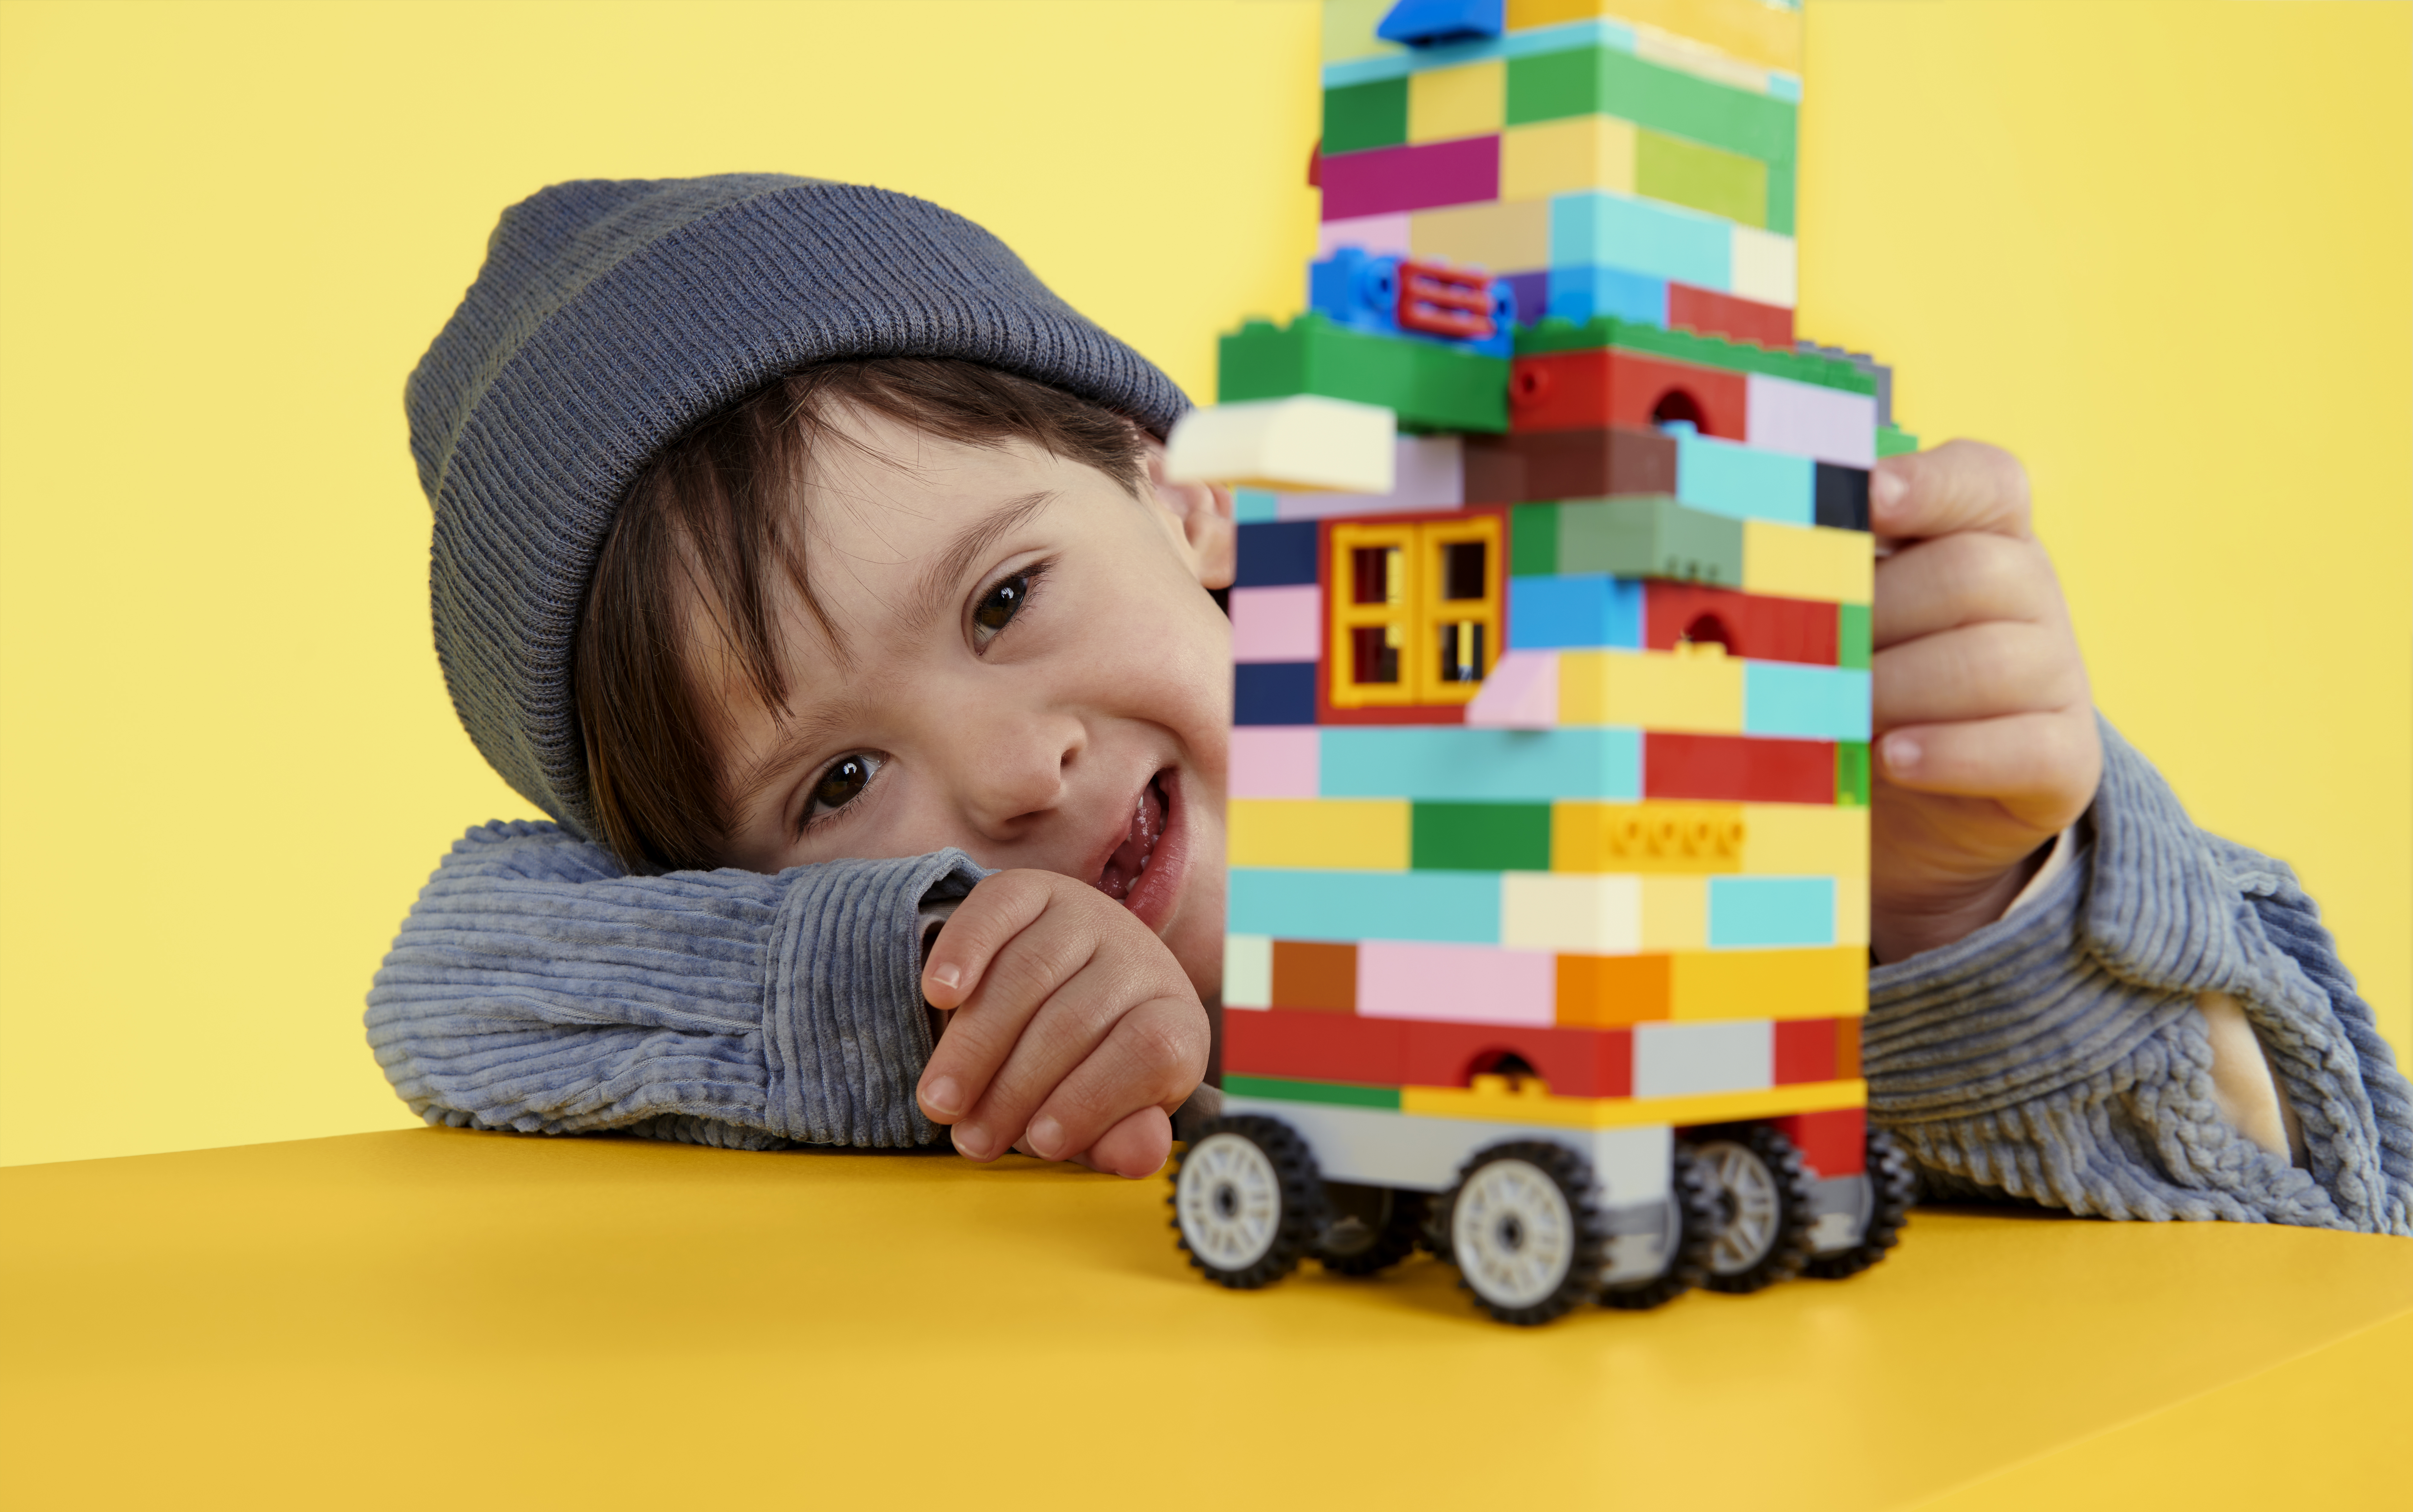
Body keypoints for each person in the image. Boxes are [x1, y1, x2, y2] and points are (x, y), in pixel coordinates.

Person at [368, 174, 2410, 1233]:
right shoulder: (931, 1016)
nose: (1007, 776)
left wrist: (1943, 919)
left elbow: (2255, 1215)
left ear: (1190, 512)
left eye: (1005, 598)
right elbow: (455, 975)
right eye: (832, 781)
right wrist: (922, 966)